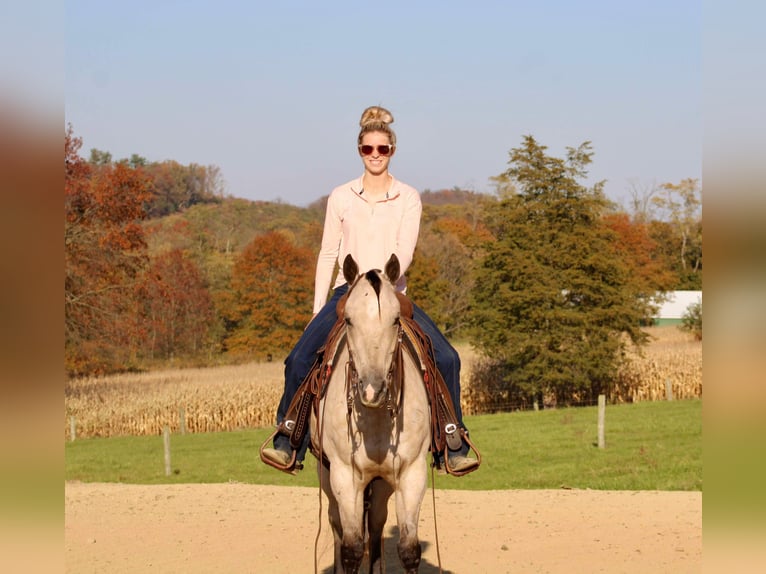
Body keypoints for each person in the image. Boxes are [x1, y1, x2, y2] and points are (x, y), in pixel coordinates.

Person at [261, 105, 478, 474]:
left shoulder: (408, 197)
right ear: (359, 151)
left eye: (382, 149)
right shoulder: (341, 196)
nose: (375, 155)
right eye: (368, 149)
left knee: (448, 359)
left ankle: (451, 441)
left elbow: (405, 248)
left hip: (392, 294)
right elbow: (328, 252)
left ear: (392, 151)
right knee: (298, 359)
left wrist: (387, 282)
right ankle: (288, 437)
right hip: (347, 292)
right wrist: (317, 310)